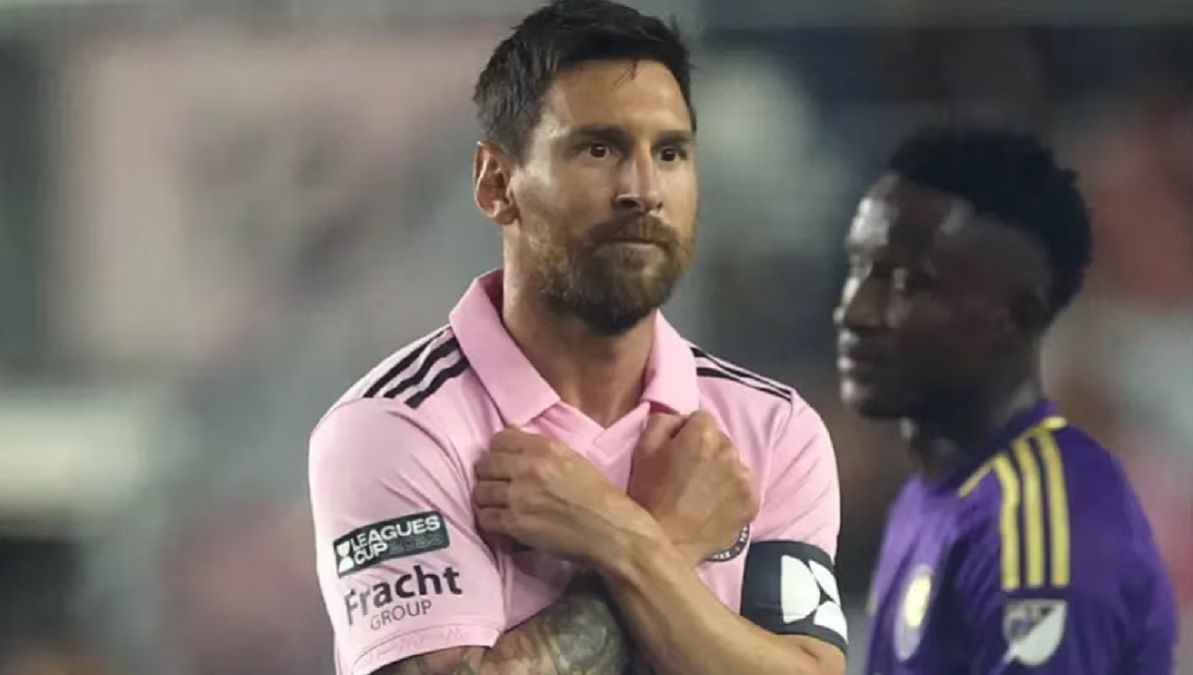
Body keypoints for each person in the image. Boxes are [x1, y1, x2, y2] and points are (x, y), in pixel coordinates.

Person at [308, 2, 846, 674]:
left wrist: (626, 542)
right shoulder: (397, 428)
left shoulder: (772, 429)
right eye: (599, 149)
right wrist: (665, 538)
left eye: (670, 153)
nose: (643, 190)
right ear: (496, 184)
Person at [834, 127, 1178, 673]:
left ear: (1014, 318)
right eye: (860, 269)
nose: (857, 312)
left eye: (910, 285)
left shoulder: (1037, 522)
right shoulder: (934, 500)